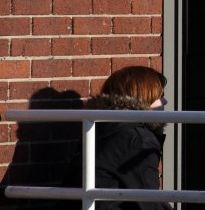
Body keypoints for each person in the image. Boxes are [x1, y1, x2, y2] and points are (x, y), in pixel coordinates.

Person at [60, 66, 169, 210]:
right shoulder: (137, 138)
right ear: (143, 97)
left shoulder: (97, 127)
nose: (165, 101)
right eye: (159, 96)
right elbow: (148, 202)